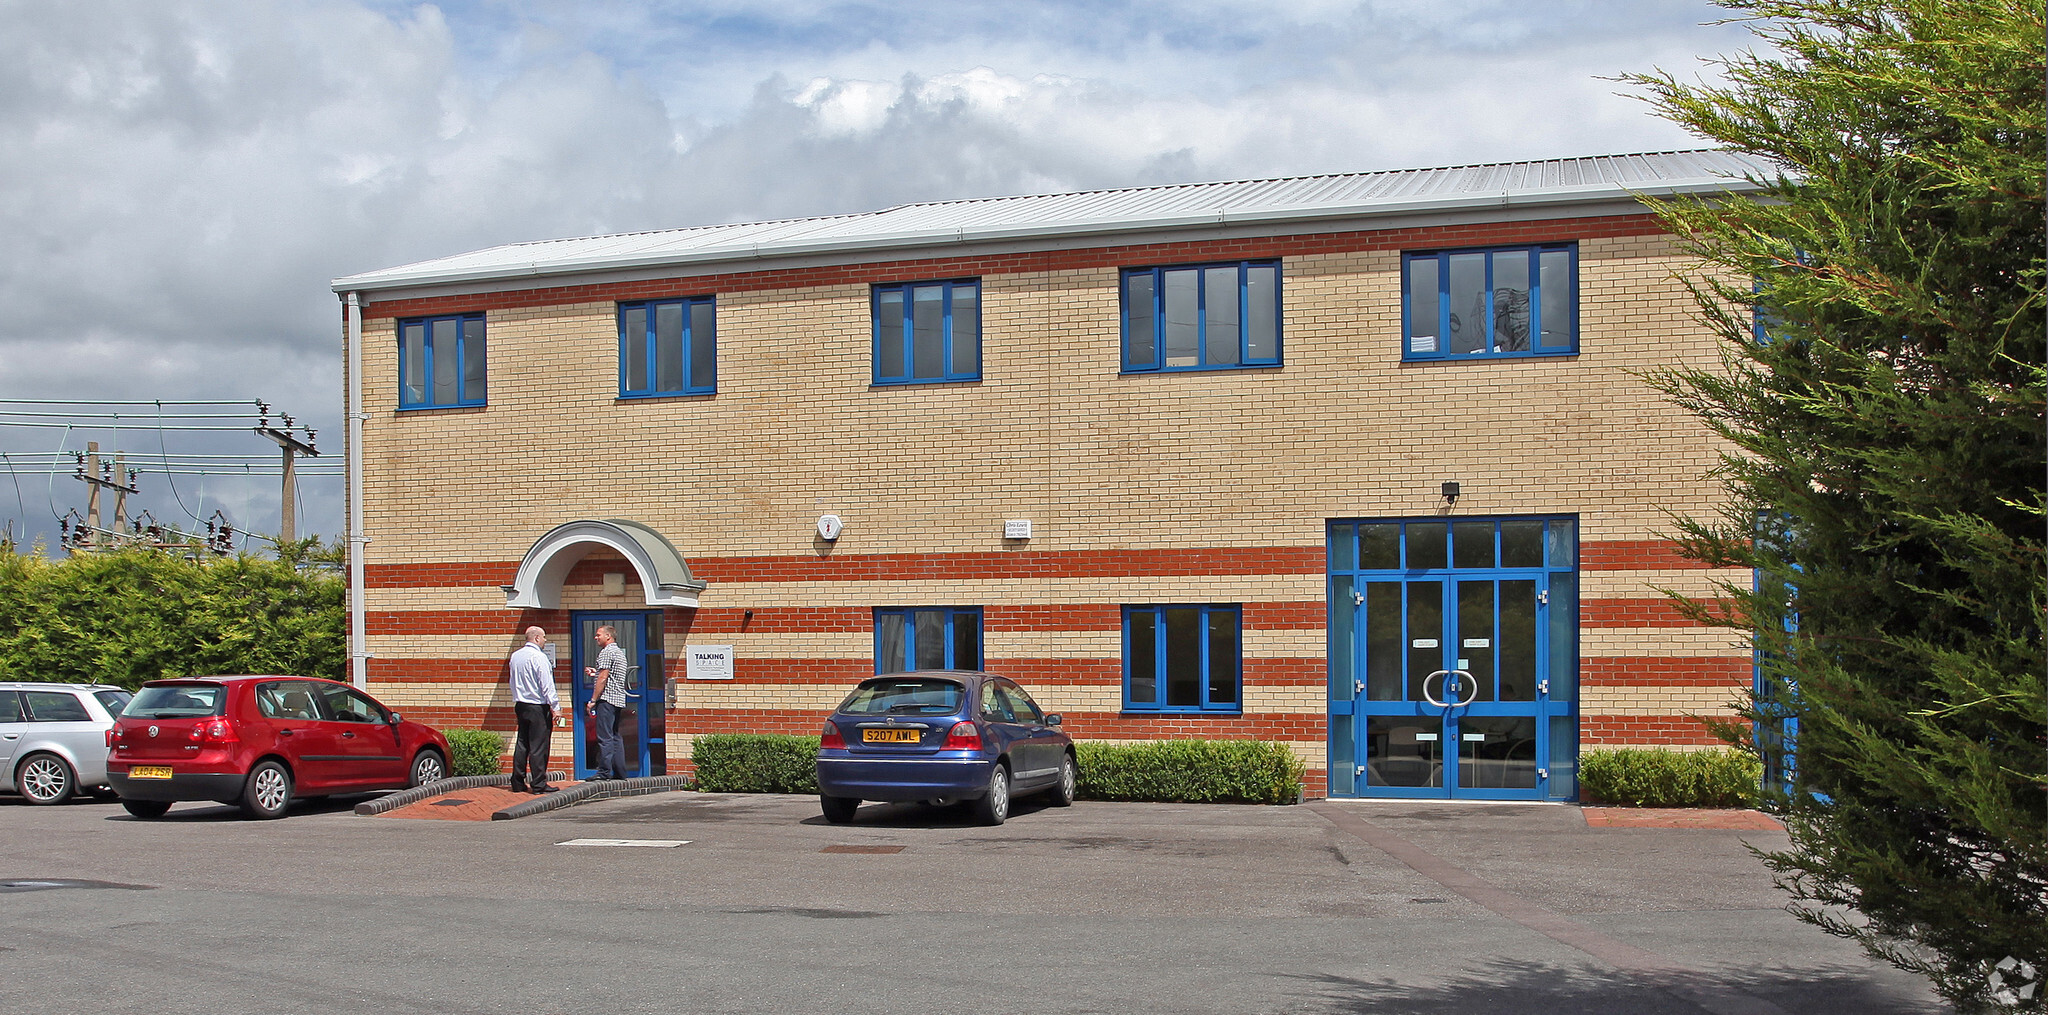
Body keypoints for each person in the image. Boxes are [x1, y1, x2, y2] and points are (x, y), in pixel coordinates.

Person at [507, 626, 561, 793]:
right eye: (544, 637)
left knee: (522, 743)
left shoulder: (516, 656)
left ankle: (517, 781)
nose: (545, 640)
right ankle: (538, 783)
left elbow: (512, 680)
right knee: (539, 746)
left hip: (521, 704)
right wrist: (555, 707)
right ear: (537, 638)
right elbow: (547, 684)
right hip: (537, 706)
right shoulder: (539, 657)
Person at [583, 625, 630, 781]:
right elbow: (610, 676)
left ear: (608, 636)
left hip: (607, 699)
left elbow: (603, 678)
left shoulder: (606, 652)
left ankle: (603, 772)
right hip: (617, 699)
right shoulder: (619, 653)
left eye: (598, 635)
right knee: (615, 736)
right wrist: (594, 673)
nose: (596, 637)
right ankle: (620, 772)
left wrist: (593, 700)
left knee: (605, 737)